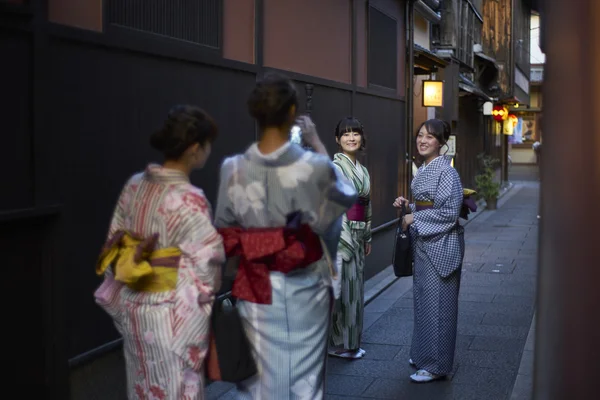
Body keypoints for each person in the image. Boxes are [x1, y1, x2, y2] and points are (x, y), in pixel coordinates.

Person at [213, 72, 357, 399]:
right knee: (305, 382)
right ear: (292, 113)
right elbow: (342, 199)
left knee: (260, 383)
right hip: (307, 285)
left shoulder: (233, 168)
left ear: (255, 113)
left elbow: (225, 232)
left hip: (255, 284)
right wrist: (318, 141)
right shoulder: (314, 166)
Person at [94, 105, 225, 399]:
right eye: (207, 145)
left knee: (143, 387)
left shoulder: (134, 186)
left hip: (134, 309)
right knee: (176, 389)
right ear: (194, 149)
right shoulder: (191, 199)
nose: (208, 150)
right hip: (172, 315)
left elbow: (114, 244)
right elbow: (208, 268)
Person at [393, 119, 465, 383]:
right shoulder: (426, 169)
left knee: (439, 307)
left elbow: (448, 212)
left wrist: (416, 218)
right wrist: (409, 207)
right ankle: (423, 354)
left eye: (430, 137)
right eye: (420, 135)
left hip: (441, 246)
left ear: (441, 143)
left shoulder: (447, 173)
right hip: (425, 244)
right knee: (424, 304)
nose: (423, 141)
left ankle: (436, 365)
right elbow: (426, 205)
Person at [329, 117, 372, 359]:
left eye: (355, 133)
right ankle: (340, 343)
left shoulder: (363, 171)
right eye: (346, 134)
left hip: (357, 233)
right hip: (341, 236)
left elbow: (367, 205)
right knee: (343, 291)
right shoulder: (333, 168)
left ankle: (351, 342)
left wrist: (366, 235)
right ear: (337, 140)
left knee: (355, 290)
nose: (351, 138)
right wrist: (345, 241)